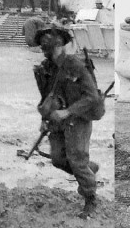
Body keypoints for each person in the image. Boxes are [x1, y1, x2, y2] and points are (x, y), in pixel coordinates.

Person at [33, 24, 101, 219]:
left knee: (77, 161)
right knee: (57, 159)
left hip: (79, 118)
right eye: (45, 47)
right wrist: (44, 118)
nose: (48, 51)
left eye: (52, 46)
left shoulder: (75, 65)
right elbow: (46, 96)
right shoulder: (45, 68)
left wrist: (68, 112)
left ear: (61, 45)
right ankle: (90, 170)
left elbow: (93, 97)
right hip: (57, 120)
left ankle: (90, 199)